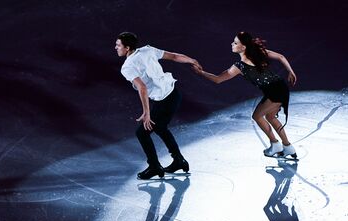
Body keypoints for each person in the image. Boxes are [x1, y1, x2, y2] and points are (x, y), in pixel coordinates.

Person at [193, 31, 298, 159]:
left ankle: (275, 144)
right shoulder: (258, 53)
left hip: (275, 91)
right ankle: (288, 147)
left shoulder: (239, 66)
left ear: (243, 47)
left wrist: (200, 73)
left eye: (235, 43)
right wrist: (290, 71)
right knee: (270, 117)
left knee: (257, 116)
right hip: (279, 87)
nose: (232, 44)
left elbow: (218, 79)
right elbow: (281, 57)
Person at [115, 32, 200, 179]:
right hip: (174, 94)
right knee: (161, 128)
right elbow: (173, 56)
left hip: (164, 100)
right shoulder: (147, 50)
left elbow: (142, 88)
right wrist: (191, 60)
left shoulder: (127, 67)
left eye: (118, 45)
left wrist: (146, 113)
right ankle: (179, 160)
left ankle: (154, 167)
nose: (115, 48)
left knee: (141, 133)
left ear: (127, 48)